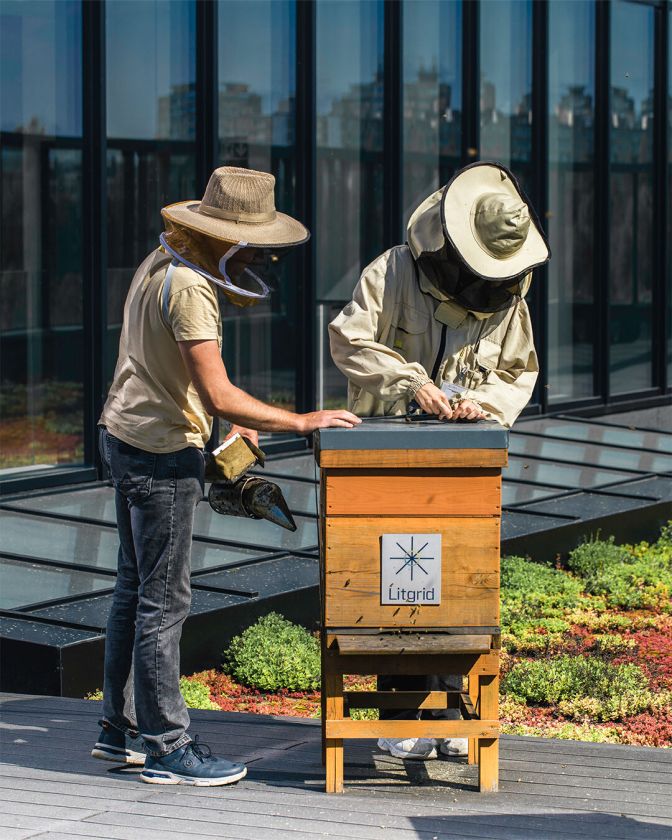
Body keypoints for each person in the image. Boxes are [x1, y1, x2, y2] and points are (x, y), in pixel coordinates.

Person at [93, 166, 360, 786]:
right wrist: (303, 420)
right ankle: (167, 747)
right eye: (256, 244)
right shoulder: (190, 288)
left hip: (126, 434)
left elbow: (171, 373)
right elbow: (217, 393)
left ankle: (120, 728)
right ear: (228, 239)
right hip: (160, 455)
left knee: (132, 591)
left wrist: (229, 427)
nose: (262, 256)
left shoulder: (159, 263)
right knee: (165, 599)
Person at [329, 161, 550, 760]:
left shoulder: (510, 299)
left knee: (454, 584)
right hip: (382, 460)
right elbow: (348, 339)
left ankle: (450, 709)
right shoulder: (393, 270)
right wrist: (409, 382)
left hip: (462, 467)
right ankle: (403, 715)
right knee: (397, 583)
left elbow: (518, 372)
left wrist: (482, 406)